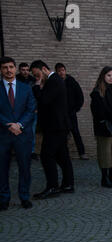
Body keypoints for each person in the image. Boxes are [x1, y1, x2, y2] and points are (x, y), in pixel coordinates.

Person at [30, 60, 75, 199]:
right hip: (58, 126)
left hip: (55, 127)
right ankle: (68, 184)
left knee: (46, 155)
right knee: (62, 156)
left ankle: (53, 186)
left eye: (37, 75)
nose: (37, 79)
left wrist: (37, 87)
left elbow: (44, 100)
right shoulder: (55, 80)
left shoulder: (53, 81)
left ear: (44, 69)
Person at [0, 57, 36, 211]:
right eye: (5, 67)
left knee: (24, 167)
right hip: (3, 135)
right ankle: (3, 198)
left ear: (15, 68)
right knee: (2, 168)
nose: (8, 70)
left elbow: (31, 109)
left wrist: (19, 124)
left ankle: (24, 197)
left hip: (22, 134)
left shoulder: (26, 88)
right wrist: (8, 124)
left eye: (11, 67)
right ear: (1, 70)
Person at [90, 66, 112, 188]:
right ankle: (104, 177)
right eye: (108, 75)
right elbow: (101, 110)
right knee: (105, 153)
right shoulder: (97, 92)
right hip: (105, 127)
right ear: (103, 76)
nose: (111, 78)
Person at [55, 63, 88, 160]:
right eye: (59, 71)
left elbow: (80, 95)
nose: (61, 72)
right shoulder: (55, 82)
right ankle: (62, 154)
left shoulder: (71, 81)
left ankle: (82, 153)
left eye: (63, 70)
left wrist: (76, 108)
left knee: (76, 132)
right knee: (62, 134)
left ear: (65, 70)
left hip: (71, 113)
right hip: (60, 114)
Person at [16, 63, 38, 160]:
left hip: (32, 110)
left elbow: (37, 95)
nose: (25, 71)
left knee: (31, 132)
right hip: (19, 111)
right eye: (23, 69)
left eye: (26, 69)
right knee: (18, 131)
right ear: (19, 70)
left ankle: (31, 151)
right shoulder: (15, 80)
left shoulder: (33, 80)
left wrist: (37, 108)